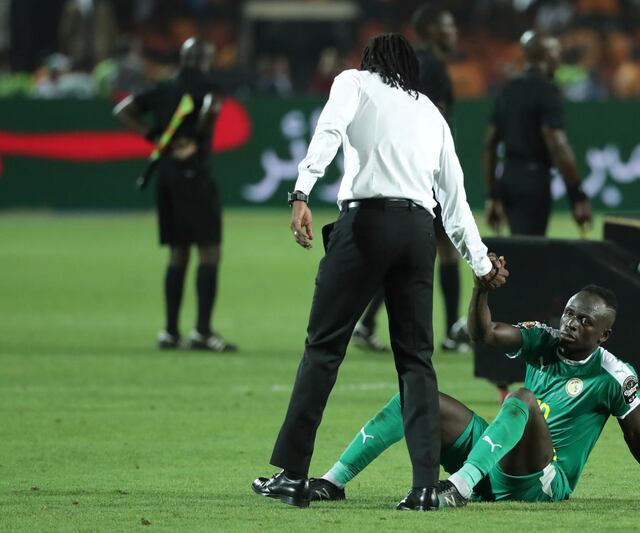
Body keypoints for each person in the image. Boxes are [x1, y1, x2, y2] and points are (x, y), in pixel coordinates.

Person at [251, 33, 508, 511]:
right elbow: (455, 199)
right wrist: (480, 261)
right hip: (417, 230)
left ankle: (291, 474)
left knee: (324, 347)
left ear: (370, 62)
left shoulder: (354, 82)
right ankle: (425, 487)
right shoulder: (431, 112)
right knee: (416, 361)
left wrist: (302, 191)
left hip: (366, 224)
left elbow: (328, 131)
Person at [304, 274, 640, 507]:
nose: (571, 323)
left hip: (542, 480)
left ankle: (457, 489)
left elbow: (638, 433)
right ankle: (332, 482)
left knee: (522, 399)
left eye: (585, 321)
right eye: (569, 313)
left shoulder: (614, 375)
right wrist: (481, 290)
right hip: (494, 460)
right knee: (417, 398)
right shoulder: (542, 339)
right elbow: (483, 333)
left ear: (605, 334)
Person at [352, 5, 470, 353]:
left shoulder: (412, 66)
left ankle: (367, 322)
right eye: (448, 27)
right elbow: (432, 120)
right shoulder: (431, 67)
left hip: (411, 168)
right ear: (432, 30)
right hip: (427, 172)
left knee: (413, 251)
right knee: (443, 250)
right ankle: (450, 332)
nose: (454, 33)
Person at [113, 37, 237, 352]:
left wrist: (155, 136)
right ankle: (202, 332)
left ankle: (170, 331)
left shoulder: (165, 88)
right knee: (209, 251)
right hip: (196, 175)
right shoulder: (210, 87)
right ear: (206, 59)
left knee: (177, 252)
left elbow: (124, 109)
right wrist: (197, 136)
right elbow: (210, 111)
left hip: (167, 176)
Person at [484, 30, 592, 237]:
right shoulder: (547, 90)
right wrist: (577, 196)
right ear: (548, 56)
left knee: (521, 243)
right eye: (557, 54)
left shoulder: (508, 90)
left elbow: (490, 144)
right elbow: (557, 145)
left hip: (509, 177)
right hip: (534, 181)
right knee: (531, 250)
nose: (559, 60)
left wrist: (492, 196)